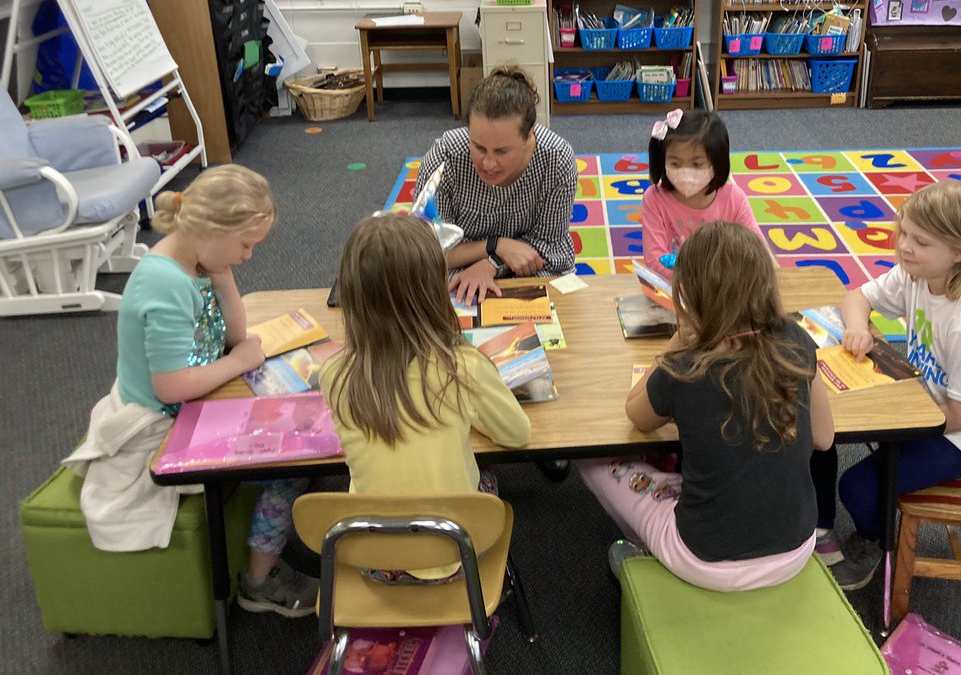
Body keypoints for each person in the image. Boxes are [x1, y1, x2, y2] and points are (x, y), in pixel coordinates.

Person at [64, 165, 317, 617]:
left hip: (191, 402)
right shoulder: (165, 283)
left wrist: (224, 277)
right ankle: (258, 583)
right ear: (211, 230)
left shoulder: (199, 260)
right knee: (289, 468)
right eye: (245, 245)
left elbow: (235, 335)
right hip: (161, 426)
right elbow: (171, 385)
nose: (248, 256)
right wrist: (237, 363)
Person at [579, 221, 834, 592]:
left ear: (689, 297)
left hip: (704, 559)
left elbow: (636, 414)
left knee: (592, 459)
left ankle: (644, 552)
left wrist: (677, 342)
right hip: (796, 549)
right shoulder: (796, 338)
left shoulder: (686, 365)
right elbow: (824, 438)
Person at [812, 180, 961, 590]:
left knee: (858, 488)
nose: (904, 246)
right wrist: (857, 328)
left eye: (920, 241)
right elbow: (856, 298)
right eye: (903, 232)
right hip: (921, 403)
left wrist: (891, 418)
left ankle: (874, 541)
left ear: (960, 252)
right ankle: (817, 527)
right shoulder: (917, 275)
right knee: (822, 430)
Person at [320, 214, 530, 580]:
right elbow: (516, 434)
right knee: (486, 473)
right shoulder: (462, 366)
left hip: (374, 558)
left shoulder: (333, 375)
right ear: (434, 291)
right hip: (459, 555)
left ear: (351, 296)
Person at [413, 67, 578, 304]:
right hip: (459, 269)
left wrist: (491, 265)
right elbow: (427, 248)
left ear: (529, 136)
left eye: (502, 151)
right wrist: (494, 246)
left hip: (529, 267)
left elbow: (549, 244)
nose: (488, 163)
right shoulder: (445, 157)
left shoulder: (557, 158)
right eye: (478, 147)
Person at [640, 108, 758, 279]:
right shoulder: (654, 199)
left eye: (697, 164)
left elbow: (755, 249)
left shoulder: (734, 199)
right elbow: (655, 260)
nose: (685, 172)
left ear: (717, 161)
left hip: (723, 286)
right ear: (662, 161)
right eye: (675, 163)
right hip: (676, 286)